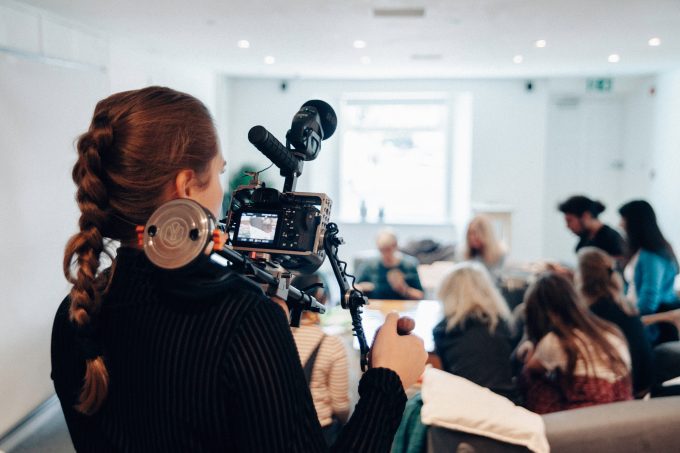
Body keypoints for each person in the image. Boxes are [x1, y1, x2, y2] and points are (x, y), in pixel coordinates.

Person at [50, 86, 428, 452]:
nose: (221, 192)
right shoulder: (242, 318)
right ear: (185, 185)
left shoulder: (74, 315)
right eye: (218, 173)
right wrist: (388, 379)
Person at [519, 273, 632, 414]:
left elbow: (532, 367)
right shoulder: (610, 331)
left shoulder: (557, 341)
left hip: (585, 416)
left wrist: (529, 346)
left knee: (529, 377)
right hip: (621, 408)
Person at [432, 262, 517, 401]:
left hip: (467, 405)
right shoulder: (500, 323)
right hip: (506, 403)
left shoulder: (444, 331)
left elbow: (447, 378)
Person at [576, 247, 654, 397]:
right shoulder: (624, 305)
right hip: (645, 383)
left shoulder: (594, 312)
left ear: (583, 277)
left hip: (628, 388)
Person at [290, 273, 350, 445]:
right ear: (321, 299)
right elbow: (340, 406)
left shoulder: (274, 336)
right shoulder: (331, 344)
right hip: (318, 433)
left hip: (278, 431)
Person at [355, 229, 424, 300]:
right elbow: (355, 287)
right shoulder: (368, 265)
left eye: (388, 249)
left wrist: (403, 289)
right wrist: (363, 287)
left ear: (396, 246)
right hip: (375, 308)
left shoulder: (409, 265)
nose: (385, 254)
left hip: (401, 308)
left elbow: (420, 296)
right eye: (381, 250)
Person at [558, 195, 626, 259]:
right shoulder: (584, 241)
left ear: (586, 216)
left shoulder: (613, 240)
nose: (567, 226)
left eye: (570, 220)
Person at [463, 215, 506, 279]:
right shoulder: (464, 254)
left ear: (485, 235)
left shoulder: (499, 255)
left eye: (475, 233)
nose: (472, 238)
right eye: (470, 233)